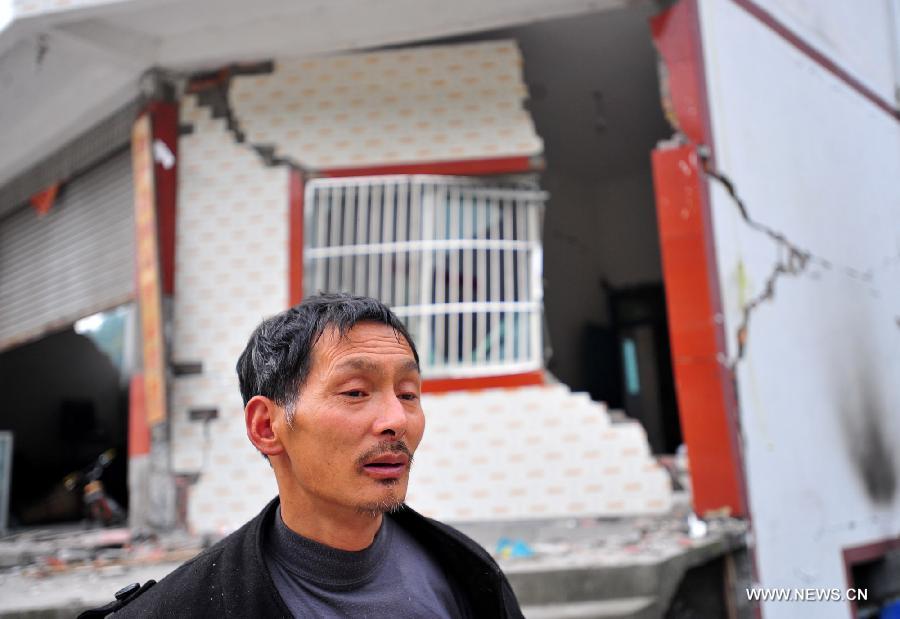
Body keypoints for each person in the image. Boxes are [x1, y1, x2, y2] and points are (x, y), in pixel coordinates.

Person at [82, 293, 523, 618]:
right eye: (355, 392)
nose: (396, 420)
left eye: (408, 394)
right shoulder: (184, 608)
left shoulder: (466, 575)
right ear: (266, 426)